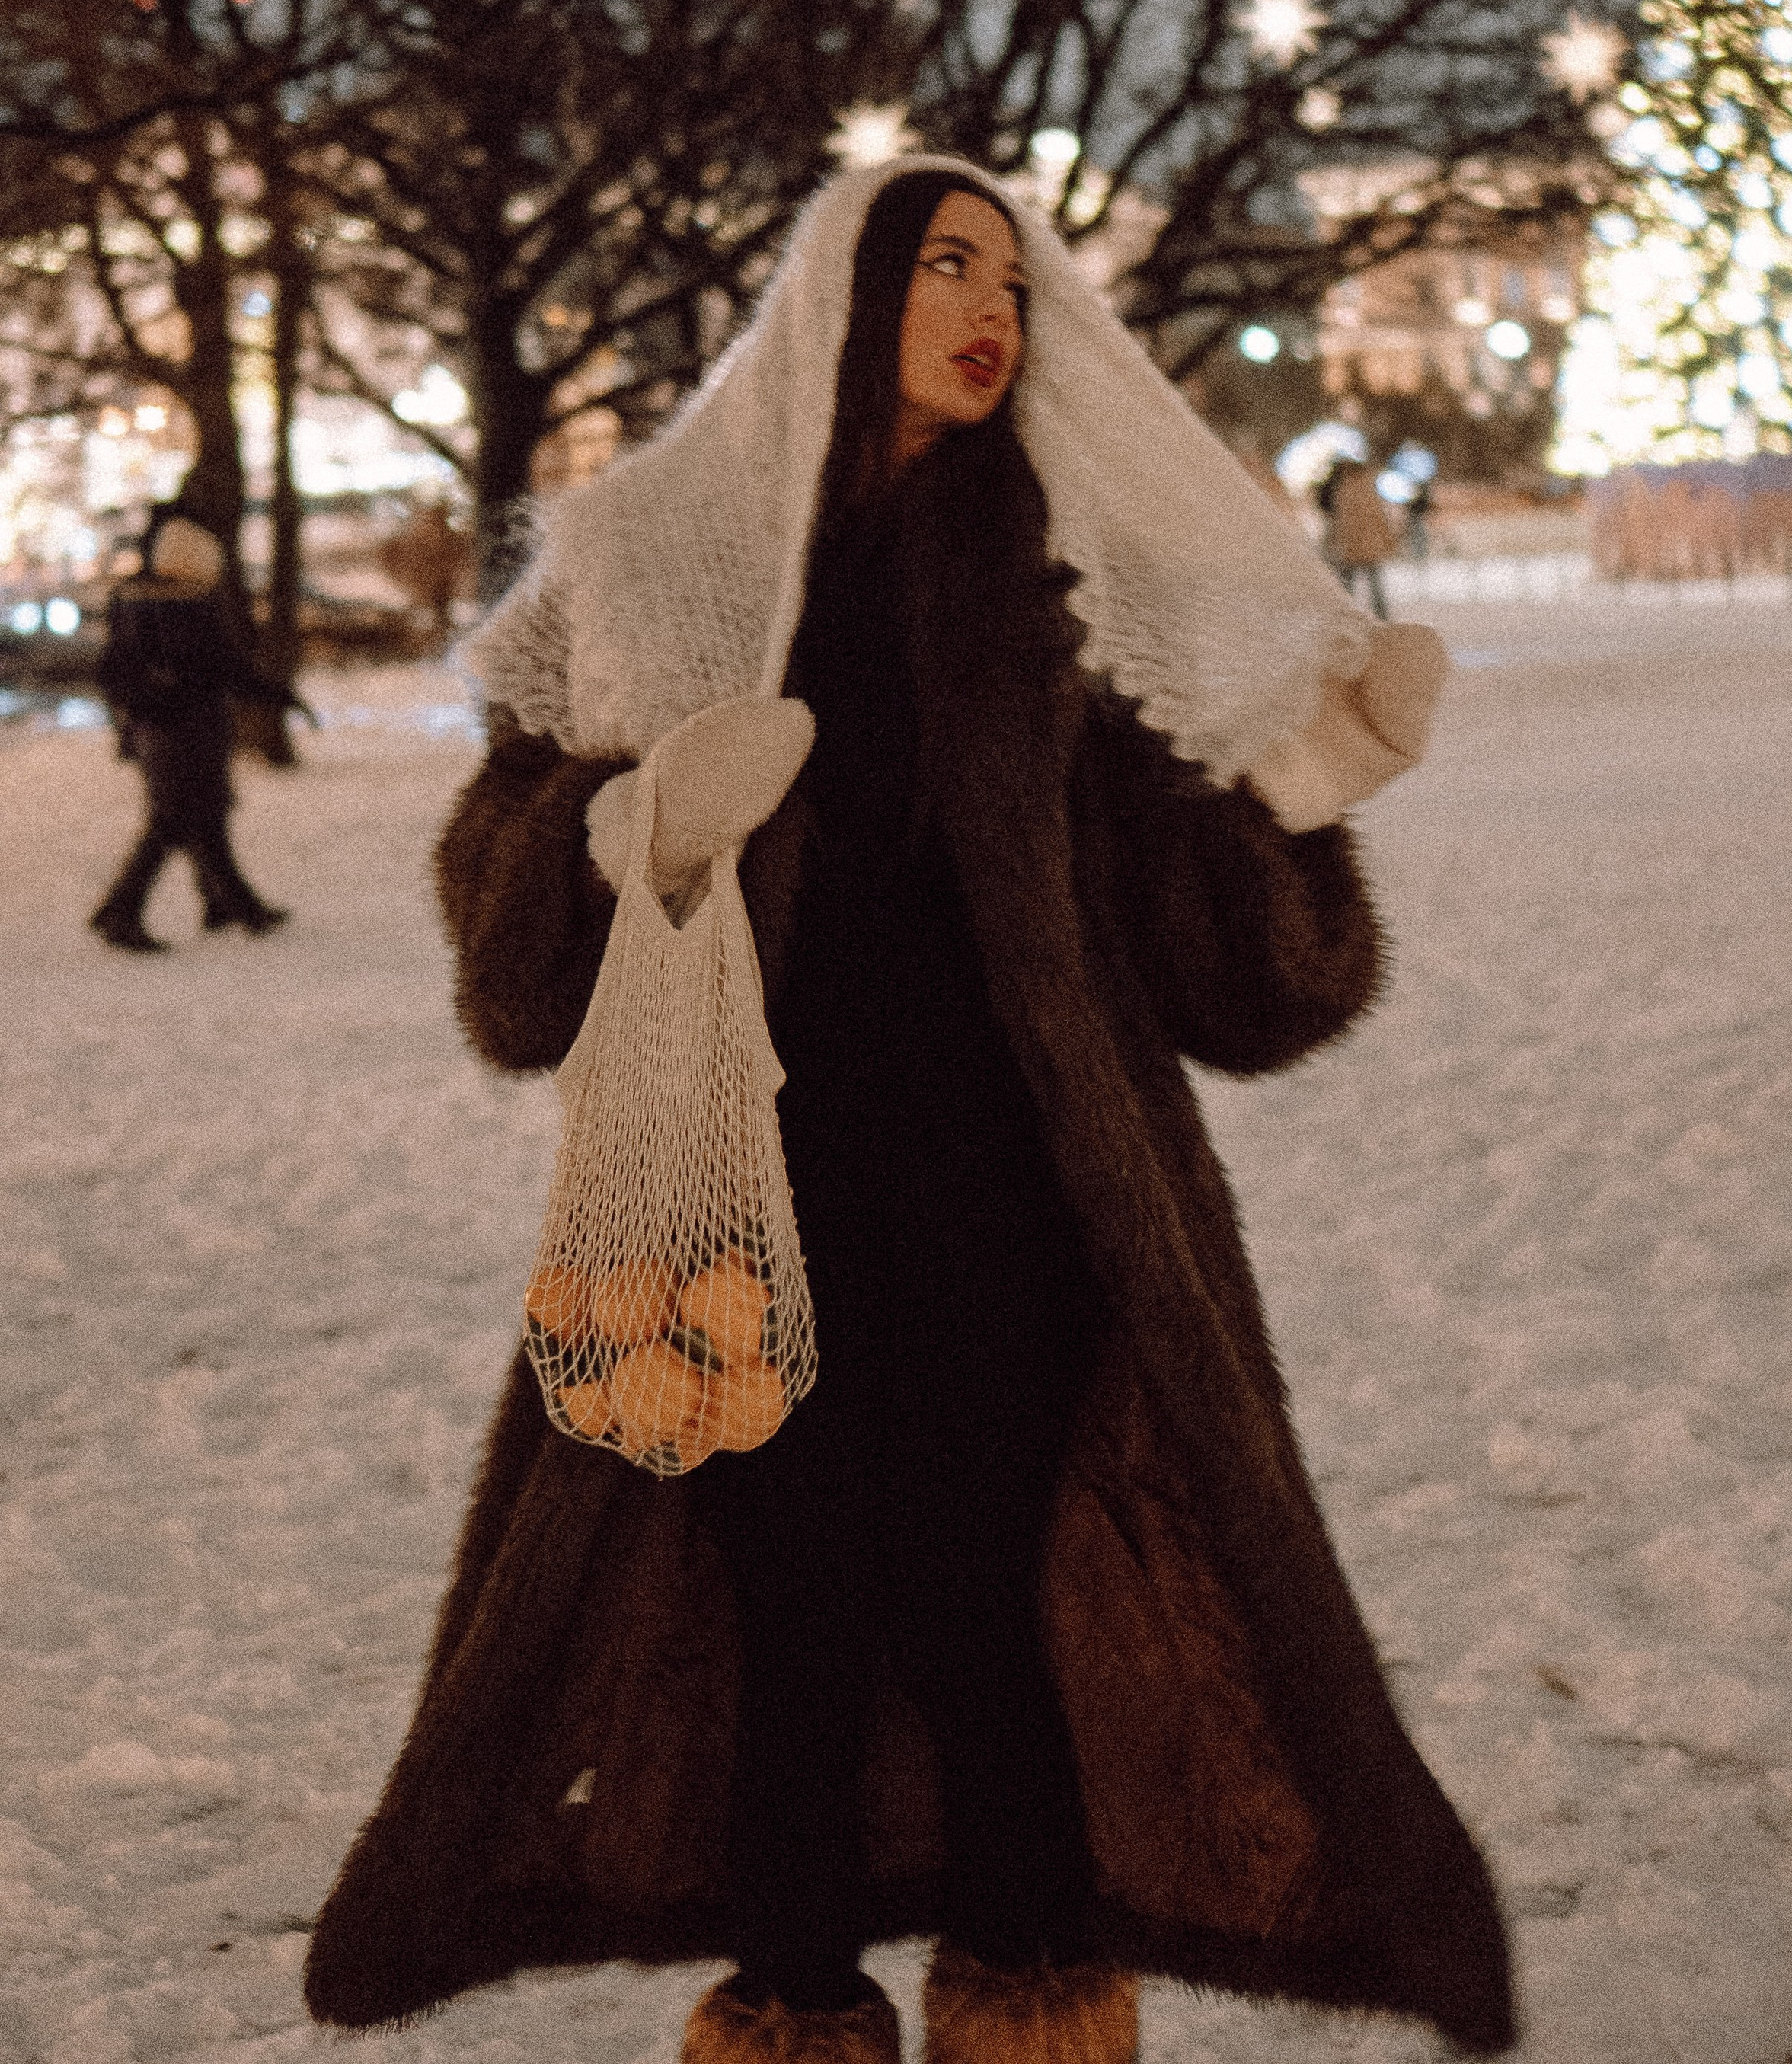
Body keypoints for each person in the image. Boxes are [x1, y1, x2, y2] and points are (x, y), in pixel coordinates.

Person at [305, 161, 1512, 2064]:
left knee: (970, 1587)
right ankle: (795, 1999)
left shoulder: (1065, 573)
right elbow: (510, 960)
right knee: (787, 1607)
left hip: (1018, 1197)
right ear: (837, 297)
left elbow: (1241, 991)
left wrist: (1291, 790)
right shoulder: (652, 561)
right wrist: (630, 836)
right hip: (727, 1192)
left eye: (1010, 282)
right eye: (944, 267)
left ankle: (1025, 1989)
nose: (988, 314)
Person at [89, 506, 290, 951]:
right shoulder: (183, 608)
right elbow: (225, 666)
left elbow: (115, 673)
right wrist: (273, 695)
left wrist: (141, 711)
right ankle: (121, 911)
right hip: (183, 732)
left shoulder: (136, 602)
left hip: (169, 731)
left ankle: (227, 904)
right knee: (175, 820)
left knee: (206, 815)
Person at [1318, 452, 1397, 618]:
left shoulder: (1343, 489)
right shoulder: (1369, 488)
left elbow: (1341, 520)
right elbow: (1380, 517)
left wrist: (1334, 541)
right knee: (1375, 584)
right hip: (1370, 544)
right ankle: (1382, 616)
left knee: (1348, 584)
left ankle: (1348, 615)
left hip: (1352, 544)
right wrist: (1388, 539)